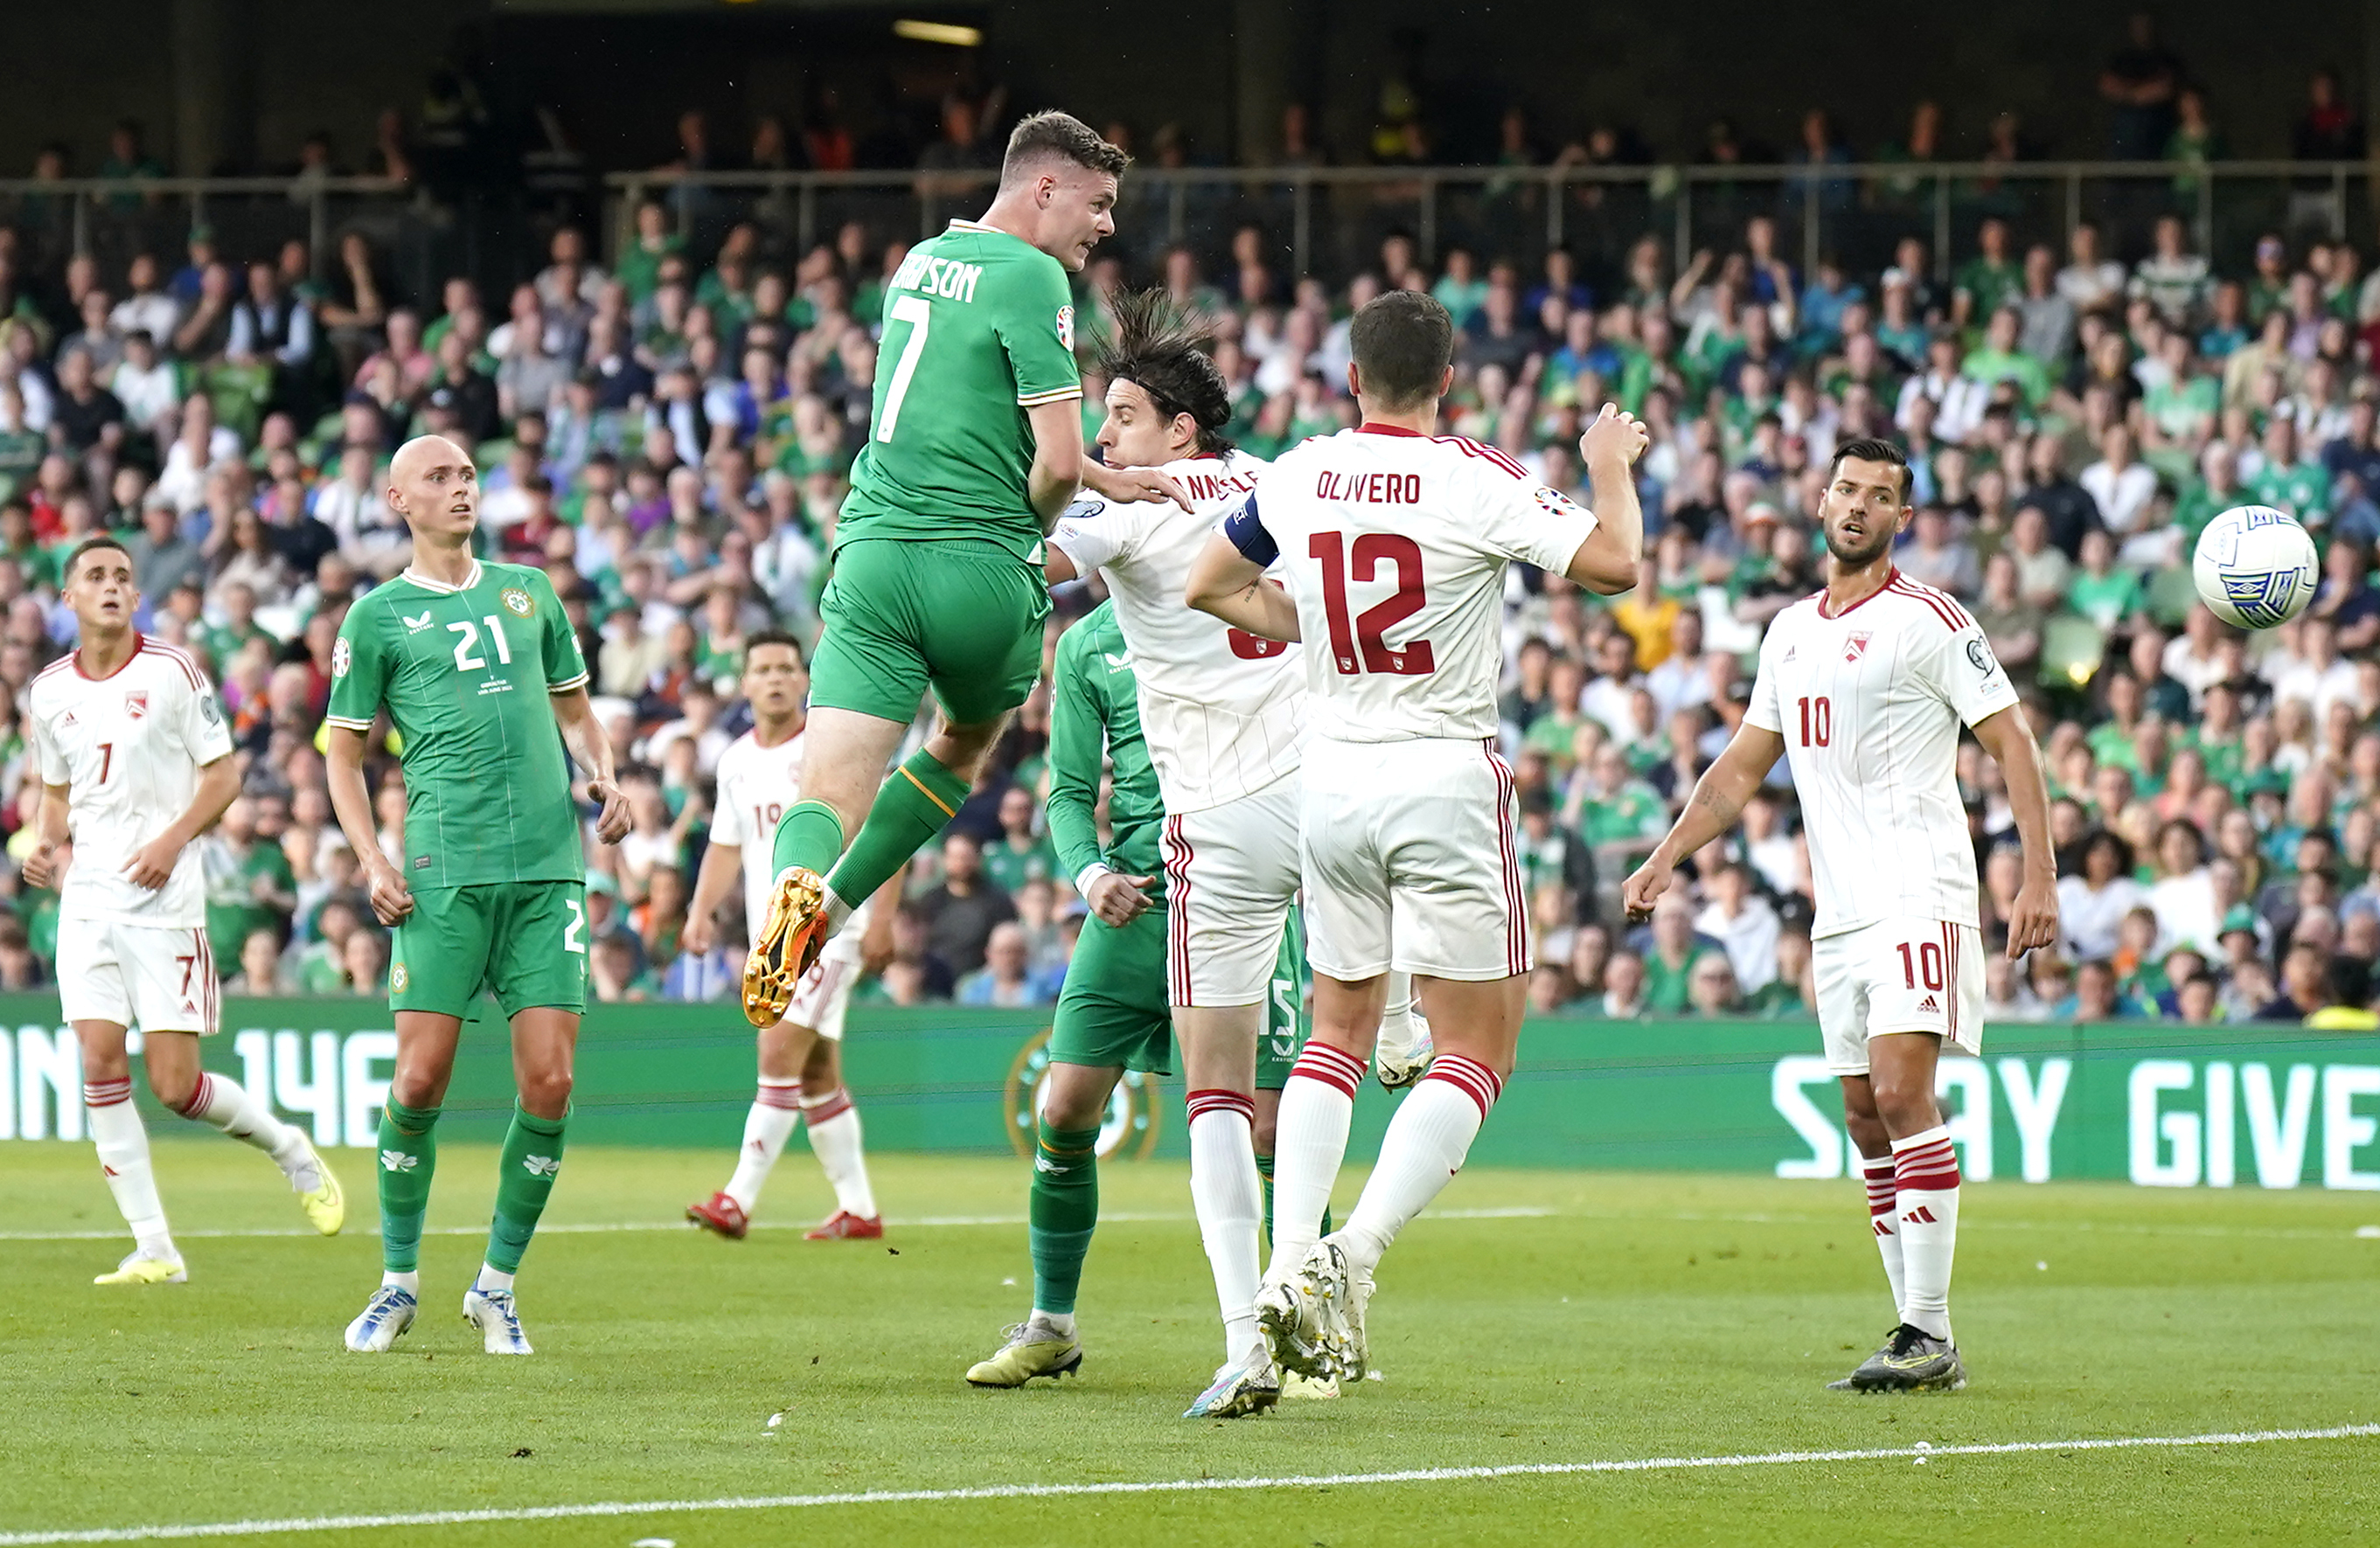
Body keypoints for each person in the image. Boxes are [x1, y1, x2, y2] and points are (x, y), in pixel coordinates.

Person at [1186, 289, 1646, 1394]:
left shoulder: (1296, 474)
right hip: (1440, 769)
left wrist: (1317, 631)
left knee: (1333, 1031)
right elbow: (1615, 564)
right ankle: (1351, 1257)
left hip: (1331, 771)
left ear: (1350, 377)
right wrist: (1609, 461)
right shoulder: (1470, 476)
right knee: (1476, 1046)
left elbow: (1208, 582)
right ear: (1448, 380)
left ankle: (1282, 1276)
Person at [1034, 291, 1426, 1417]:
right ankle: (1397, 1007)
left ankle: (1245, 1340)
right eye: (1102, 417)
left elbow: (1038, 543)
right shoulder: (1280, 478)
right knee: (1329, 1048)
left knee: (1215, 1094)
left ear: (1178, 433)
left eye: (1120, 416)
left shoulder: (1126, 508)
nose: (1105, 436)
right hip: (1326, 787)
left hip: (1215, 824)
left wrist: (1065, 487)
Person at [1624, 437, 2060, 1395]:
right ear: (1820, 501)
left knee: (1905, 1093)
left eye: (1879, 496)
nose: (1857, 506)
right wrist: (1666, 854)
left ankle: (1926, 1328)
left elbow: (2011, 739)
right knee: (1864, 1118)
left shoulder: (1931, 621)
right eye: (1845, 489)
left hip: (1921, 887)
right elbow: (1741, 768)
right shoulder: (1788, 632)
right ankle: (1912, 1332)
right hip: (1842, 912)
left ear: (1903, 518)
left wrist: (2038, 875)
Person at [743, 112, 1187, 1022]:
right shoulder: (1032, 276)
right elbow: (1055, 462)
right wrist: (1024, 532)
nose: (1104, 226)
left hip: (872, 558)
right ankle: (829, 910)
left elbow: (971, 417)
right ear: (1045, 188)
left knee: (825, 789)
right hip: (977, 569)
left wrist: (1111, 474)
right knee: (961, 743)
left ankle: (791, 886)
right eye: (1098, 205)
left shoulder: (918, 261)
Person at [964, 599, 1320, 1404]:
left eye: (1119, 463)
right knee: (1062, 1110)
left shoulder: (1249, 603)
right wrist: (1092, 875)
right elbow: (1065, 791)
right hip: (1134, 905)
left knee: (1269, 1122)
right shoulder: (1088, 642)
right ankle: (1051, 1326)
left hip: (1239, 900)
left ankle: (1309, 1328)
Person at [324, 434, 630, 1356]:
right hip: (442, 876)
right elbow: (343, 752)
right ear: (397, 499)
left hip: (546, 869)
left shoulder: (528, 591)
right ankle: (397, 1281)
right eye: (439, 477)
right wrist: (373, 859)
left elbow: (575, 708)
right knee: (419, 1080)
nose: (461, 488)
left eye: (467, 474)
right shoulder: (376, 617)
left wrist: (606, 775)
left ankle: (496, 1285)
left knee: (552, 1079)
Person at [25, 536, 344, 1285]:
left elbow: (225, 776)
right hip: (90, 900)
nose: (110, 586)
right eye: (95, 576)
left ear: (137, 598)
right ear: (67, 599)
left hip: (165, 901)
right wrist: (45, 843)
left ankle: (289, 1148)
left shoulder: (171, 672)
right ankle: (154, 1246)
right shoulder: (47, 691)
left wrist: (171, 841)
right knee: (99, 1062)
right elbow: (57, 790)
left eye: (122, 577)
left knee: (175, 1087)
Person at [683, 630, 895, 1243]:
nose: (775, 678)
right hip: (768, 932)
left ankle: (737, 1199)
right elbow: (727, 845)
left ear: (805, 680)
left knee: (776, 1052)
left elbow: (888, 833)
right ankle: (859, 1210)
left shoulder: (829, 752)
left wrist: (881, 917)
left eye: (785, 668)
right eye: (763, 668)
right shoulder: (734, 760)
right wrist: (700, 910)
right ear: (744, 682)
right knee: (815, 1072)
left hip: (830, 928)